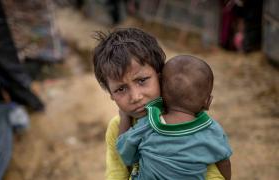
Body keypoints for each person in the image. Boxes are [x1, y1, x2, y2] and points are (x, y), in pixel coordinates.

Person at [92, 27, 225, 180]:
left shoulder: (187, 118)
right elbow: (116, 173)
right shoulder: (116, 128)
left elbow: (212, 172)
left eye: (141, 81)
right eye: (121, 89)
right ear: (111, 95)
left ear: (160, 77)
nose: (135, 97)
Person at [116, 55, 232, 179]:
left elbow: (124, 152)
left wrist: (124, 117)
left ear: (161, 91)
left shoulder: (149, 124)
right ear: (207, 102)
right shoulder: (212, 131)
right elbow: (224, 162)